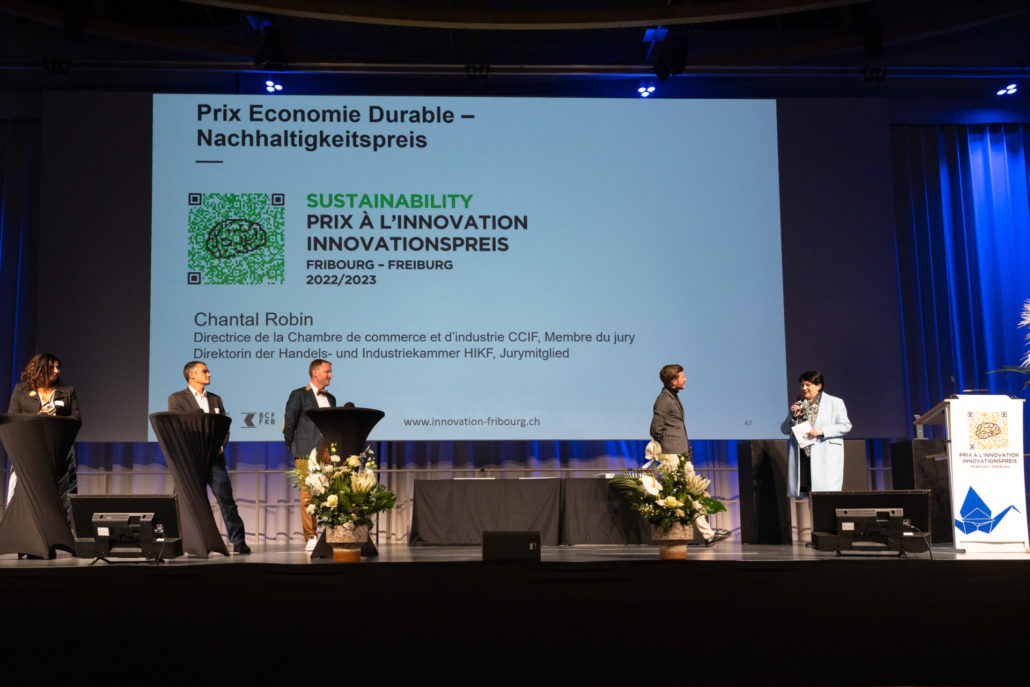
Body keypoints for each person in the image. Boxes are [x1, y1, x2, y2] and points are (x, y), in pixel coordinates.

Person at [168, 361, 250, 554]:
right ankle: (179, 542)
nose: (209, 374)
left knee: (226, 500)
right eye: (204, 371)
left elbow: (224, 427)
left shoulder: (215, 399)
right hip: (190, 460)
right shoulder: (177, 399)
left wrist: (221, 445)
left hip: (214, 460)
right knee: (183, 502)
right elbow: (177, 427)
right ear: (192, 375)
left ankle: (238, 540)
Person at [648, 363, 729, 546]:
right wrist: (667, 444)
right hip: (672, 454)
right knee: (682, 495)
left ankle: (708, 535)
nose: (685, 379)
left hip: (680, 453)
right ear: (673, 381)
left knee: (693, 493)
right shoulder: (664, 399)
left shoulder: (672, 396)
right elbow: (655, 429)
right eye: (682, 377)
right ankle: (692, 535)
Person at [780, 370, 852, 543]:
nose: (804, 388)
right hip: (805, 456)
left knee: (826, 495)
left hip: (825, 455)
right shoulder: (799, 404)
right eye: (802, 385)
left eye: (808, 385)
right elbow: (784, 429)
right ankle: (817, 534)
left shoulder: (835, 402)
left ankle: (832, 534)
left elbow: (846, 425)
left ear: (818, 386)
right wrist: (793, 416)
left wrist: (822, 431)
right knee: (812, 495)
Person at [7, 353, 81, 507]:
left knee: (59, 496)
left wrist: (54, 420)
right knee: (26, 494)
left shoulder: (67, 392)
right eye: (52, 367)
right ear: (40, 369)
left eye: (58, 367)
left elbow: (76, 419)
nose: (57, 371)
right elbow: (12, 417)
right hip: (29, 449)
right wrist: (38, 417)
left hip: (58, 451)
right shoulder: (21, 390)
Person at [283, 359, 336, 550]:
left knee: (331, 493)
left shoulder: (331, 399)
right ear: (315, 373)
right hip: (306, 451)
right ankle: (310, 536)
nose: (330, 375)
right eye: (327, 372)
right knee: (308, 496)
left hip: (327, 452)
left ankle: (332, 533)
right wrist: (294, 448)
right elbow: (289, 424)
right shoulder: (298, 395)